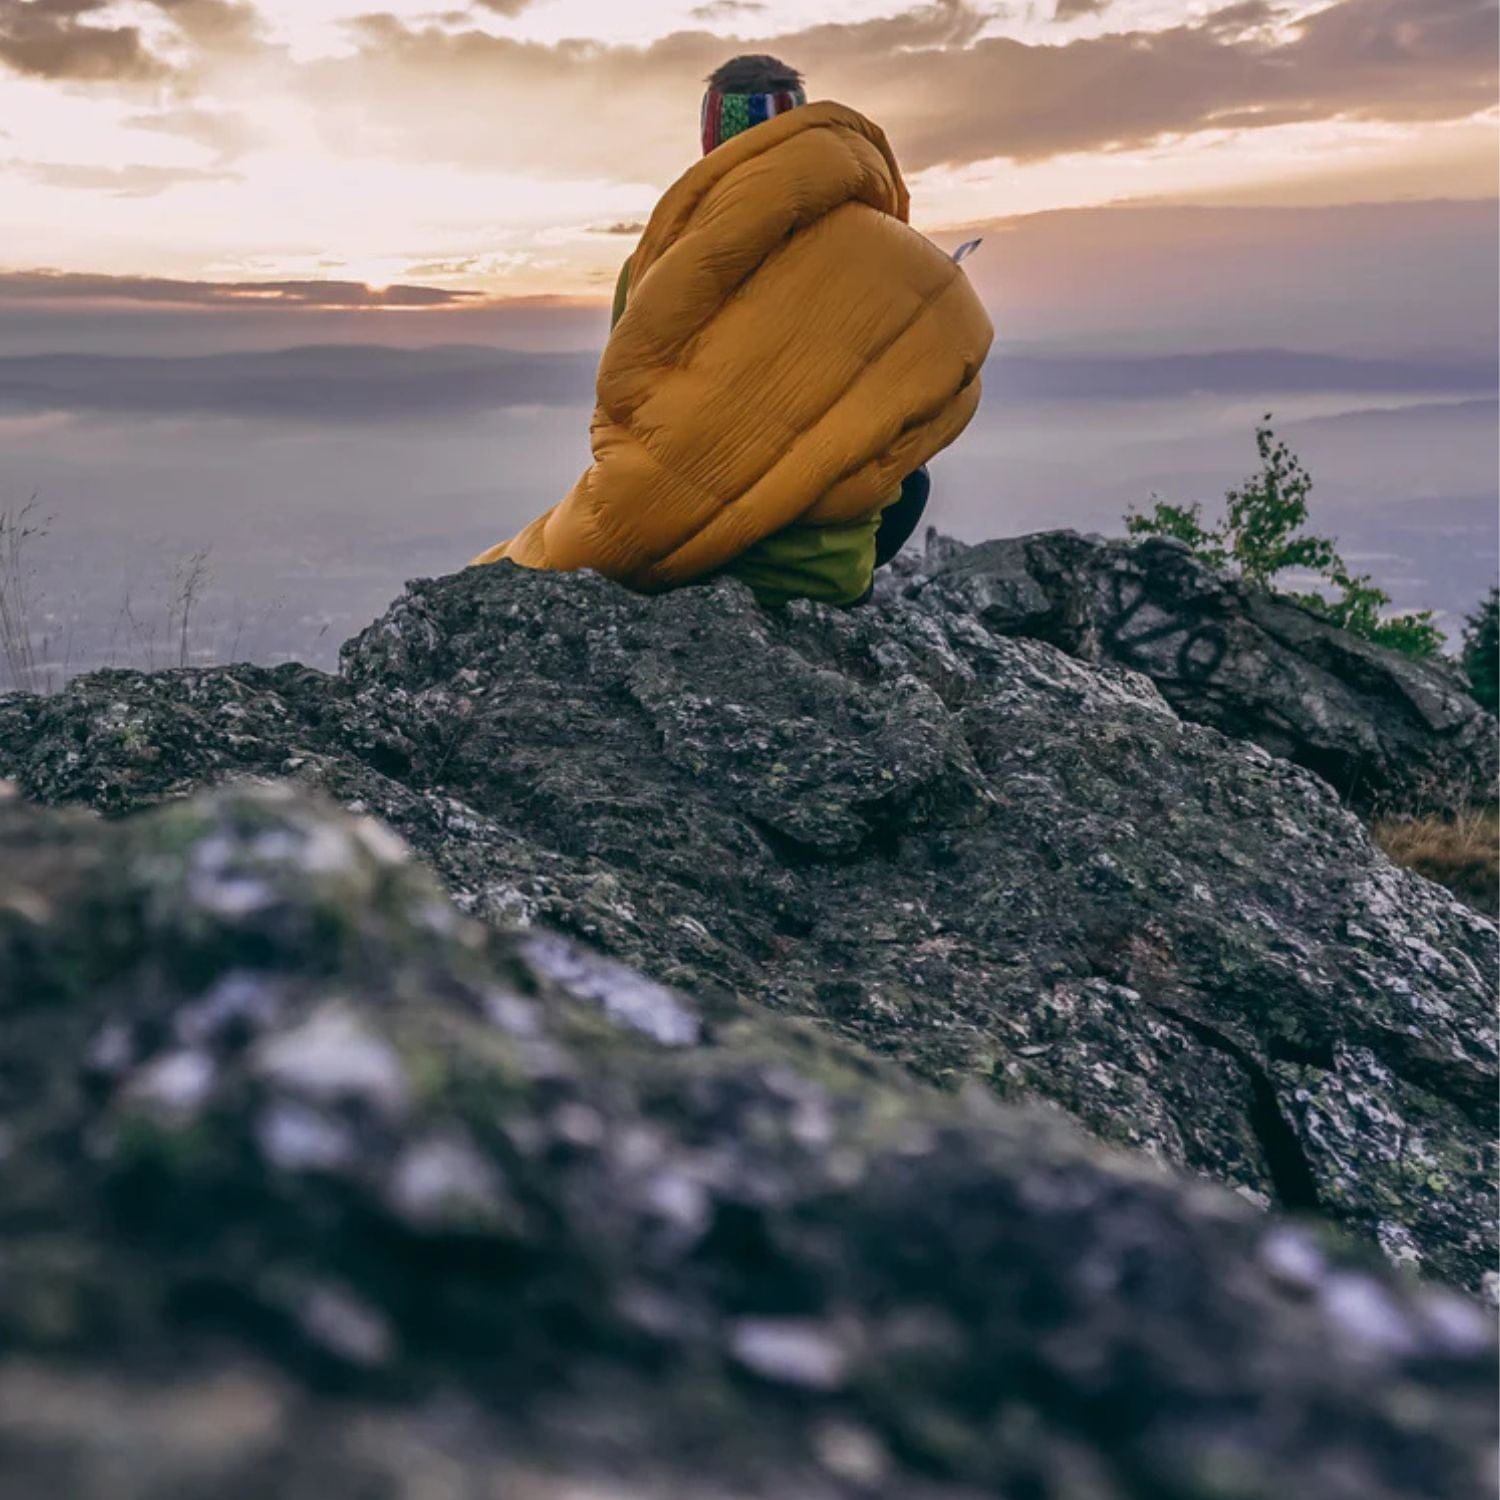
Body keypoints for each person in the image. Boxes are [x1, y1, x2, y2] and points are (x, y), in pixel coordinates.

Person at [473, 55, 991, 608]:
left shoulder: (667, 258)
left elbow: (632, 408)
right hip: (831, 578)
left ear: (716, 150)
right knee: (907, 476)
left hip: (701, 569)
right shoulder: (891, 253)